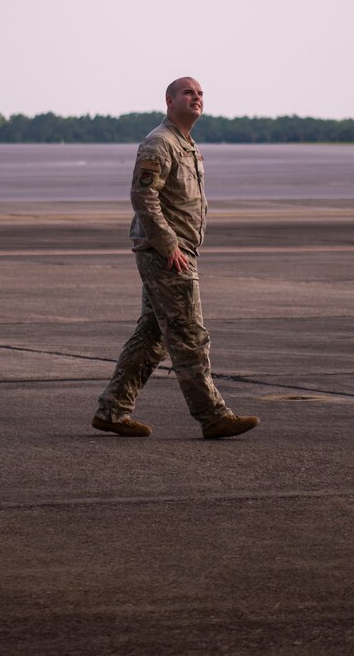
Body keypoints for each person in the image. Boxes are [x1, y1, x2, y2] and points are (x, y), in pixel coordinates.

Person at [92, 77, 259, 440]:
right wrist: (169, 246)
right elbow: (143, 197)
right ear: (169, 101)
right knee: (188, 335)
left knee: (153, 336)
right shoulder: (160, 142)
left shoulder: (187, 145)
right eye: (188, 92)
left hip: (179, 251)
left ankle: (112, 410)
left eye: (200, 93)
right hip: (167, 254)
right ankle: (213, 416)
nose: (196, 97)